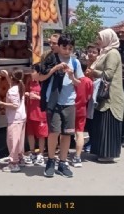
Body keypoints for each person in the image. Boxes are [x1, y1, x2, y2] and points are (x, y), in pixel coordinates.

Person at [40, 34, 82, 178]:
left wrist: (71, 77)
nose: (67, 51)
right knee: (54, 132)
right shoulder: (51, 59)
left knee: (67, 133)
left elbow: (79, 83)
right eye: (64, 47)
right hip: (54, 101)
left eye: (70, 48)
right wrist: (54, 69)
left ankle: (62, 163)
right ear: (59, 46)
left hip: (69, 102)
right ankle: (51, 161)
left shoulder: (75, 62)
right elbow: (40, 76)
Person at [89, 28, 124, 163]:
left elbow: (108, 74)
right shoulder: (106, 53)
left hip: (111, 96)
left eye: (100, 38)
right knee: (101, 123)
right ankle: (100, 151)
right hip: (103, 95)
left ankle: (108, 153)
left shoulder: (113, 53)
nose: (98, 41)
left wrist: (93, 72)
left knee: (108, 123)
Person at [0, 69, 27, 172]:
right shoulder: (21, 85)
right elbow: (13, 85)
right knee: (19, 140)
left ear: (12, 78)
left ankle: (13, 163)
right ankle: (20, 158)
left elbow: (15, 105)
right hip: (22, 117)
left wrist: (2, 104)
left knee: (12, 141)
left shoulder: (12, 91)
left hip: (14, 118)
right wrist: (7, 76)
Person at [24, 65, 47, 166]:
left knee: (41, 135)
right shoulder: (30, 82)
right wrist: (27, 94)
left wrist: (37, 97)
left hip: (41, 113)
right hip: (30, 112)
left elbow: (47, 99)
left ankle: (41, 154)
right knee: (30, 134)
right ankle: (32, 152)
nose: (31, 73)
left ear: (39, 73)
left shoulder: (44, 84)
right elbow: (25, 91)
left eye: (33, 71)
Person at [72, 62, 94, 167]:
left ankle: (62, 154)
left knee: (65, 133)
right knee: (79, 133)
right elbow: (90, 96)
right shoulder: (88, 81)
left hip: (70, 108)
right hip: (82, 108)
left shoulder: (71, 80)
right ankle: (77, 157)